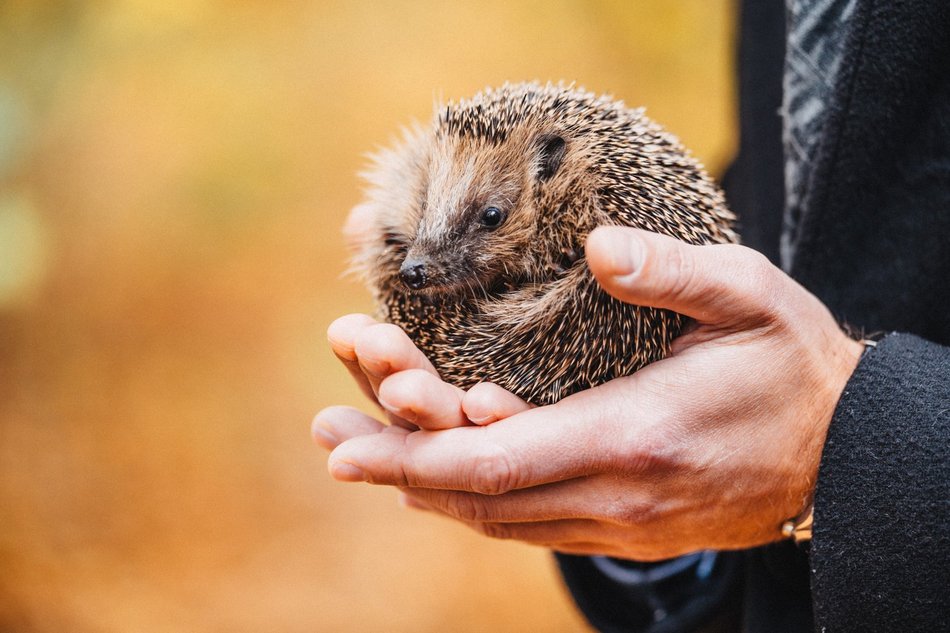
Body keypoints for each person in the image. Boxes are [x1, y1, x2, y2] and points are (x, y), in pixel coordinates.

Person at [312, 1, 950, 630]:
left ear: (552, 171)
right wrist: (663, 528)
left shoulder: (594, 202)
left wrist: (850, 442)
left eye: (489, 220)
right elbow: (781, 185)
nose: (426, 261)